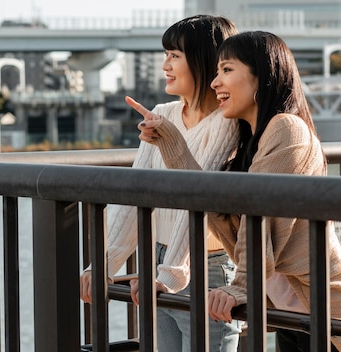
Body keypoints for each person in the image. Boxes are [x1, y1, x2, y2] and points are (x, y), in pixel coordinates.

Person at [130, 31, 341, 352]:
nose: (214, 82)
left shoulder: (286, 127)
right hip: (290, 312)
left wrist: (239, 287)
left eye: (227, 70)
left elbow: (256, 214)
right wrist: (170, 140)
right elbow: (210, 200)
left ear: (261, 75)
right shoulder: (251, 140)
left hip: (326, 311)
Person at [80, 15, 242, 351]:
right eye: (165, 54)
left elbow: (197, 200)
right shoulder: (163, 114)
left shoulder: (228, 122)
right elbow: (136, 195)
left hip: (207, 268)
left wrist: (169, 275)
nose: (165, 64)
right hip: (157, 262)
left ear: (204, 61)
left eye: (174, 55)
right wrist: (105, 262)